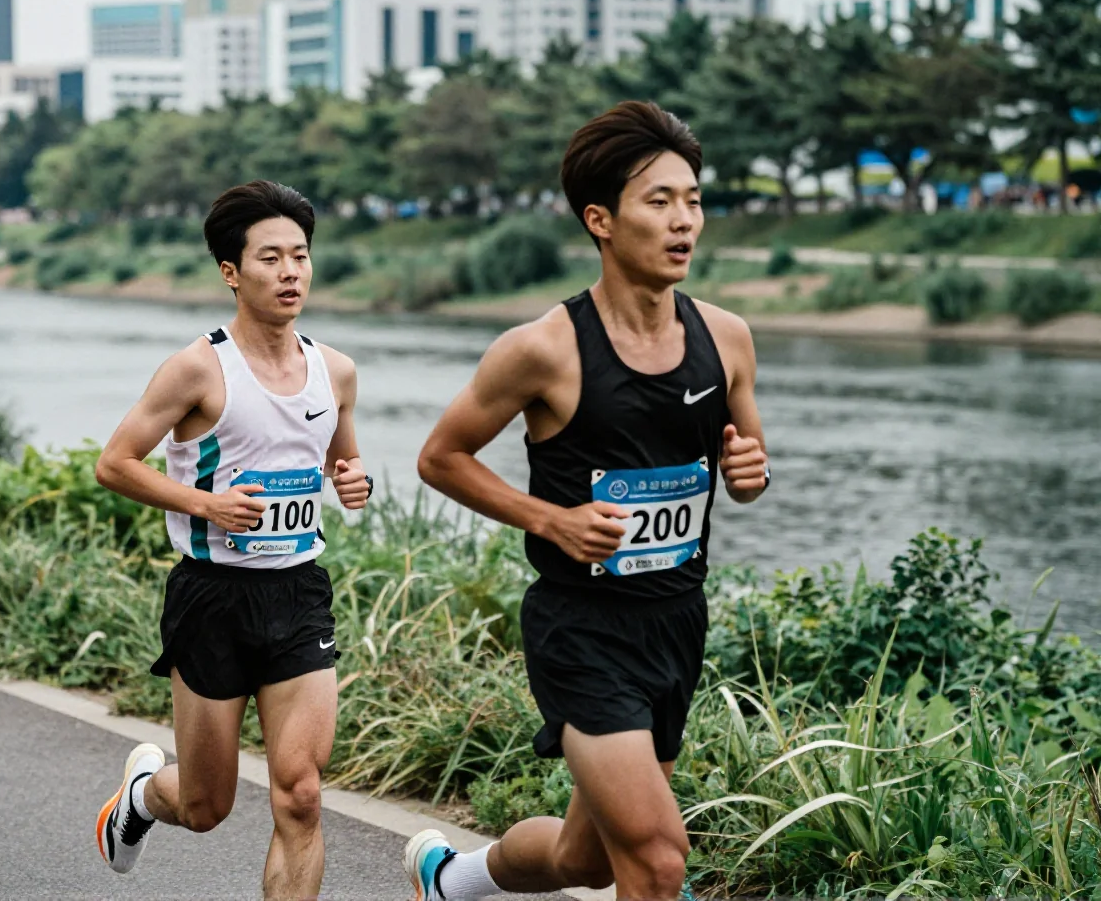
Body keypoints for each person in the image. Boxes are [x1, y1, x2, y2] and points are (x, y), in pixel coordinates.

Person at [403, 102, 769, 901]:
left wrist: (750, 475)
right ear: (601, 220)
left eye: (694, 199)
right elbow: (440, 457)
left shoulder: (727, 337)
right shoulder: (544, 348)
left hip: (676, 618)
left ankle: (453, 878)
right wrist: (550, 518)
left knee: (587, 860)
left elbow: (748, 465)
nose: (684, 222)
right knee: (660, 858)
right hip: (583, 629)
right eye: (659, 202)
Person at [92, 179, 372, 901]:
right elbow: (114, 463)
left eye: (301, 257)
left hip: (299, 591)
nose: (290, 273)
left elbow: (342, 455)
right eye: (271, 258)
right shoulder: (197, 368)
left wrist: (352, 481)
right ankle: (144, 797)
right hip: (212, 598)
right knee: (206, 806)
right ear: (230, 272)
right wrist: (203, 504)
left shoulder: (334, 370)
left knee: (301, 795)